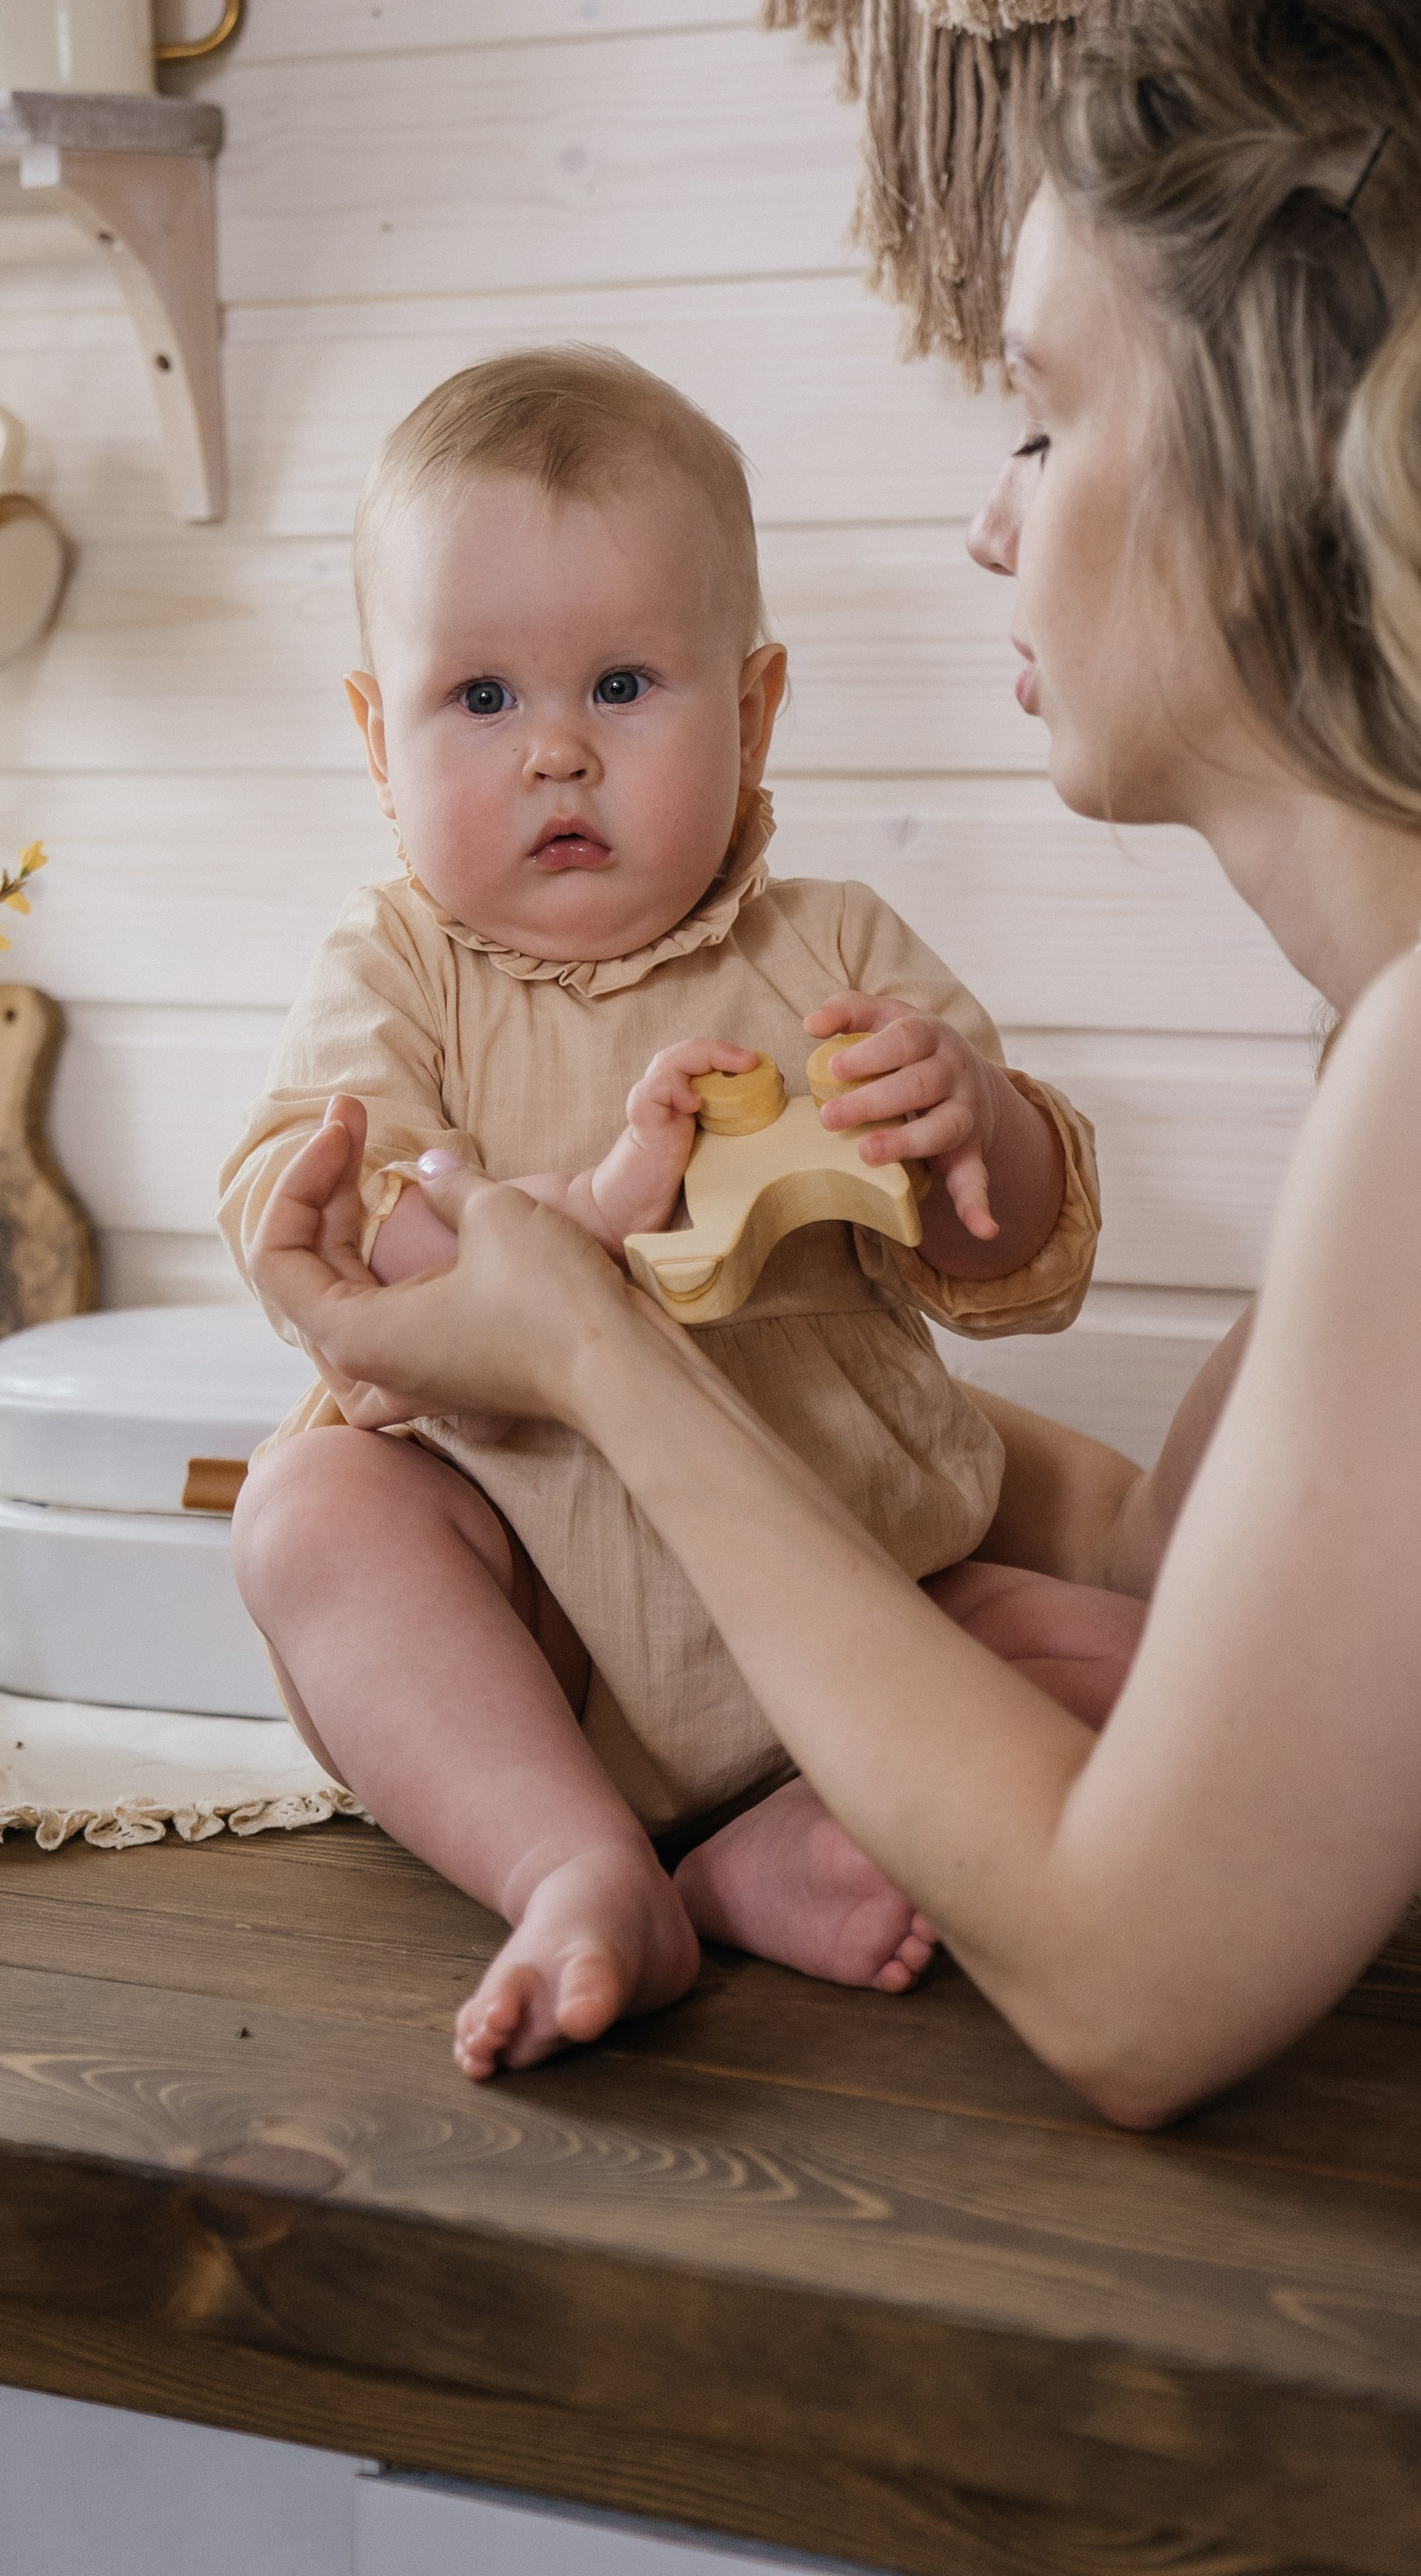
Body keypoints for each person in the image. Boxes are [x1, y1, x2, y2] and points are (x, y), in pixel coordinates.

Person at [247, 0, 1421, 2123]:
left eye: (1036, 413)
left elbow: (1135, 1986)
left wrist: (595, 1345)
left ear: (1282, 465)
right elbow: (1208, 1594)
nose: (987, 520)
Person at [222, 350, 1133, 2082]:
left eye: (623, 684)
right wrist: (579, 1210)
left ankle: (742, 1858)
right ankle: (569, 1860)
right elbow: (341, 1243)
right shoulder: (391, 972)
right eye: (479, 699)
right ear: (374, 736)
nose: (556, 749)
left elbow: (1001, 1262)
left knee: (1170, 1696)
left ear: (754, 710)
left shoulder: (838, 957)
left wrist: (973, 1127)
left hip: (858, 1601)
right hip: (530, 1634)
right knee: (314, 1513)